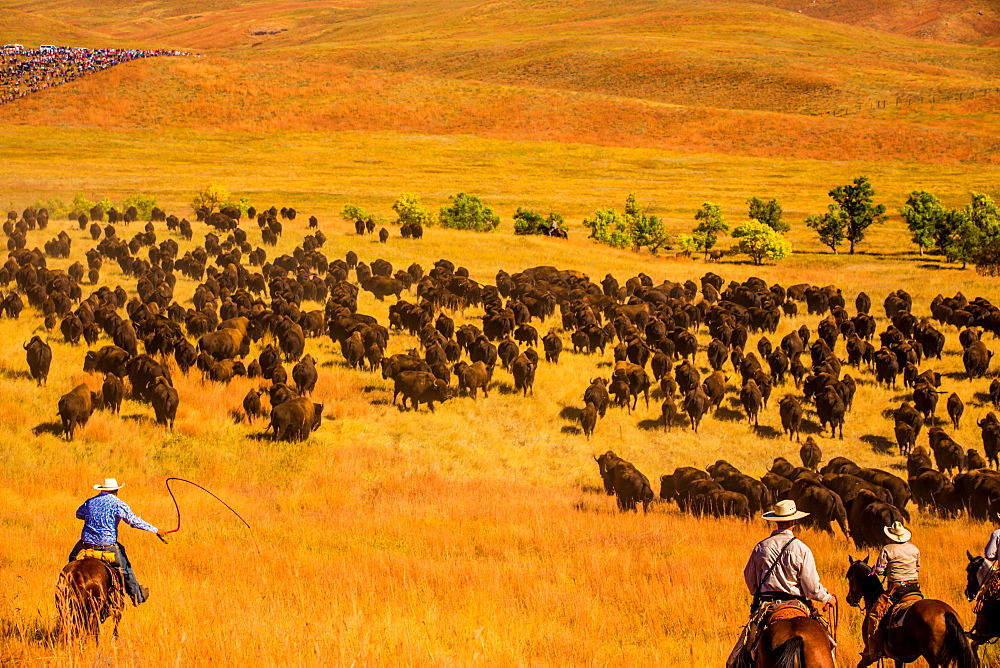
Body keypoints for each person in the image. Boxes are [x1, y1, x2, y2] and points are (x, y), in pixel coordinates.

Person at [727, 499, 836, 667]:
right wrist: (827, 597)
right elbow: (811, 587)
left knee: (739, 656)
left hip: (768, 606)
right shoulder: (802, 549)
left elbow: (751, 582)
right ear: (794, 521)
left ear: (776, 521)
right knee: (829, 645)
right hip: (798, 604)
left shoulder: (761, 548)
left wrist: (761, 590)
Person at [68, 478, 165, 605]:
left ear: (102, 489)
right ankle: (137, 596)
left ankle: (68, 586)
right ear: (116, 491)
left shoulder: (90, 502)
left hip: (85, 545)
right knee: (125, 570)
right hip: (107, 546)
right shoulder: (118, 504)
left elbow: (79, 514)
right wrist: (156, 530)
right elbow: (134, 521)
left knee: (72, 561)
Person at [860, 520, 921, 663]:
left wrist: (881, 569)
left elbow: (880, 570)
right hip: (914, 589)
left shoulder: (887, 549)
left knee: (874, 615)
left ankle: (872, 650)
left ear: (891, 536)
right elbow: (917, 568)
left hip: (897, 590)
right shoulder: (914, 549)